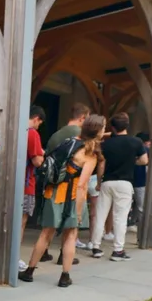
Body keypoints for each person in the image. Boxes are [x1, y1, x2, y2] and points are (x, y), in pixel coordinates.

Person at [19, 115, 106, 288]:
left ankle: (29, 271)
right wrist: (79, 211)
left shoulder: (70, 141)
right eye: (103, 127)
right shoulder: (90, 153)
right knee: (71, 235)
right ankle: (64, 276)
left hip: (53, 192)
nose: (105, 130)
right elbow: (82, 185)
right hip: (72, 197)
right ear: (97, 130)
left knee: (45, 233)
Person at [90, 112, 148, 261]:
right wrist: (131, 162)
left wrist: (98, 182)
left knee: (100, 215)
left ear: (112, 127)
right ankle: (118, 250)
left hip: (107, 182)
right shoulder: (136, 142)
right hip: (125, 183)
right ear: (127, 125)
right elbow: (144, 160)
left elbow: (101, 164)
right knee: (120, 217)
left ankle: (95, 246)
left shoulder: (105, 144)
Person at [43, 102, 91, 257]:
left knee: (49, 225)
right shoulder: (81, 136)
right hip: (73, 185)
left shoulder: (55, 135)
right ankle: (64, 257)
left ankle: (43, 252)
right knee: (70, 227)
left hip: (53, 183)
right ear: (83, 118)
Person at [19, 106, 46, 270]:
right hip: (25, 184)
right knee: (20, 223)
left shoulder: (15, 130)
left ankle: (3, 254)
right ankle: (13, 257)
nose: (38, 126)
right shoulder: (32, 133)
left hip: (10, 183)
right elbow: (37, 161)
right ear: (36, 118)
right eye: (39, 123)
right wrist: (42, 154)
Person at [129, 132, 152, 233]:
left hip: (128, 179)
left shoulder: (129, 148)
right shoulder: (145, 150)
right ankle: (142, 228)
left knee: (129, 205)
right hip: (140, 181)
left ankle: (130, 222)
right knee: (140, 206)